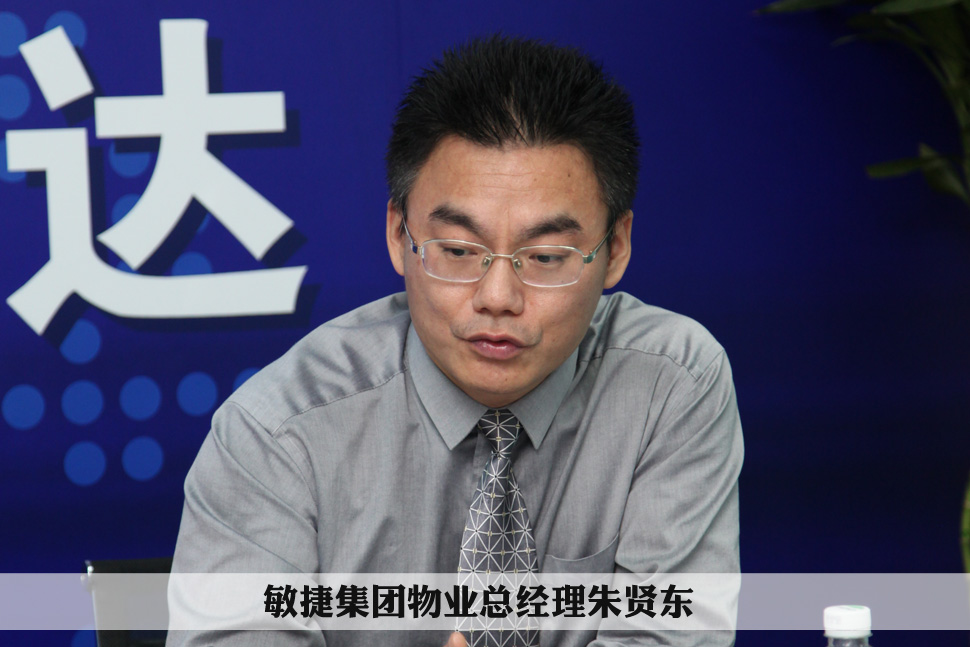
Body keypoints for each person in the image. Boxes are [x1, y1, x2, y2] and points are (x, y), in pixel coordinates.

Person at [167, 35, 743, 647]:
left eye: (546, 256)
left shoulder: (669, 385)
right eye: (460, 251)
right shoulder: (278, 434)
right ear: (400, 236)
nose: (498, 296)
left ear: (616, 249)